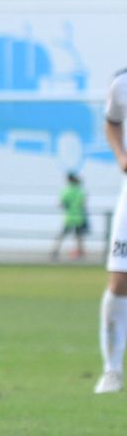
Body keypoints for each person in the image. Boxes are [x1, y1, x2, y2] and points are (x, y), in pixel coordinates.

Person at [97, 68, 127, 394]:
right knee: (120, 280)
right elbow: (112, 122)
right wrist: (120, 154)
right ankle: (112, 370)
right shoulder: (122, 83)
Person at [50, 172, 88, 261]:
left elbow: (61, 203)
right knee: (79, 236)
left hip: (69, 216)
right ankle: (80, 253)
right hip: (79, 216)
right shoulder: (80, 190)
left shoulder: (66, 190)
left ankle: (55, 251)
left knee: (62, 235)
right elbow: (83, 203)